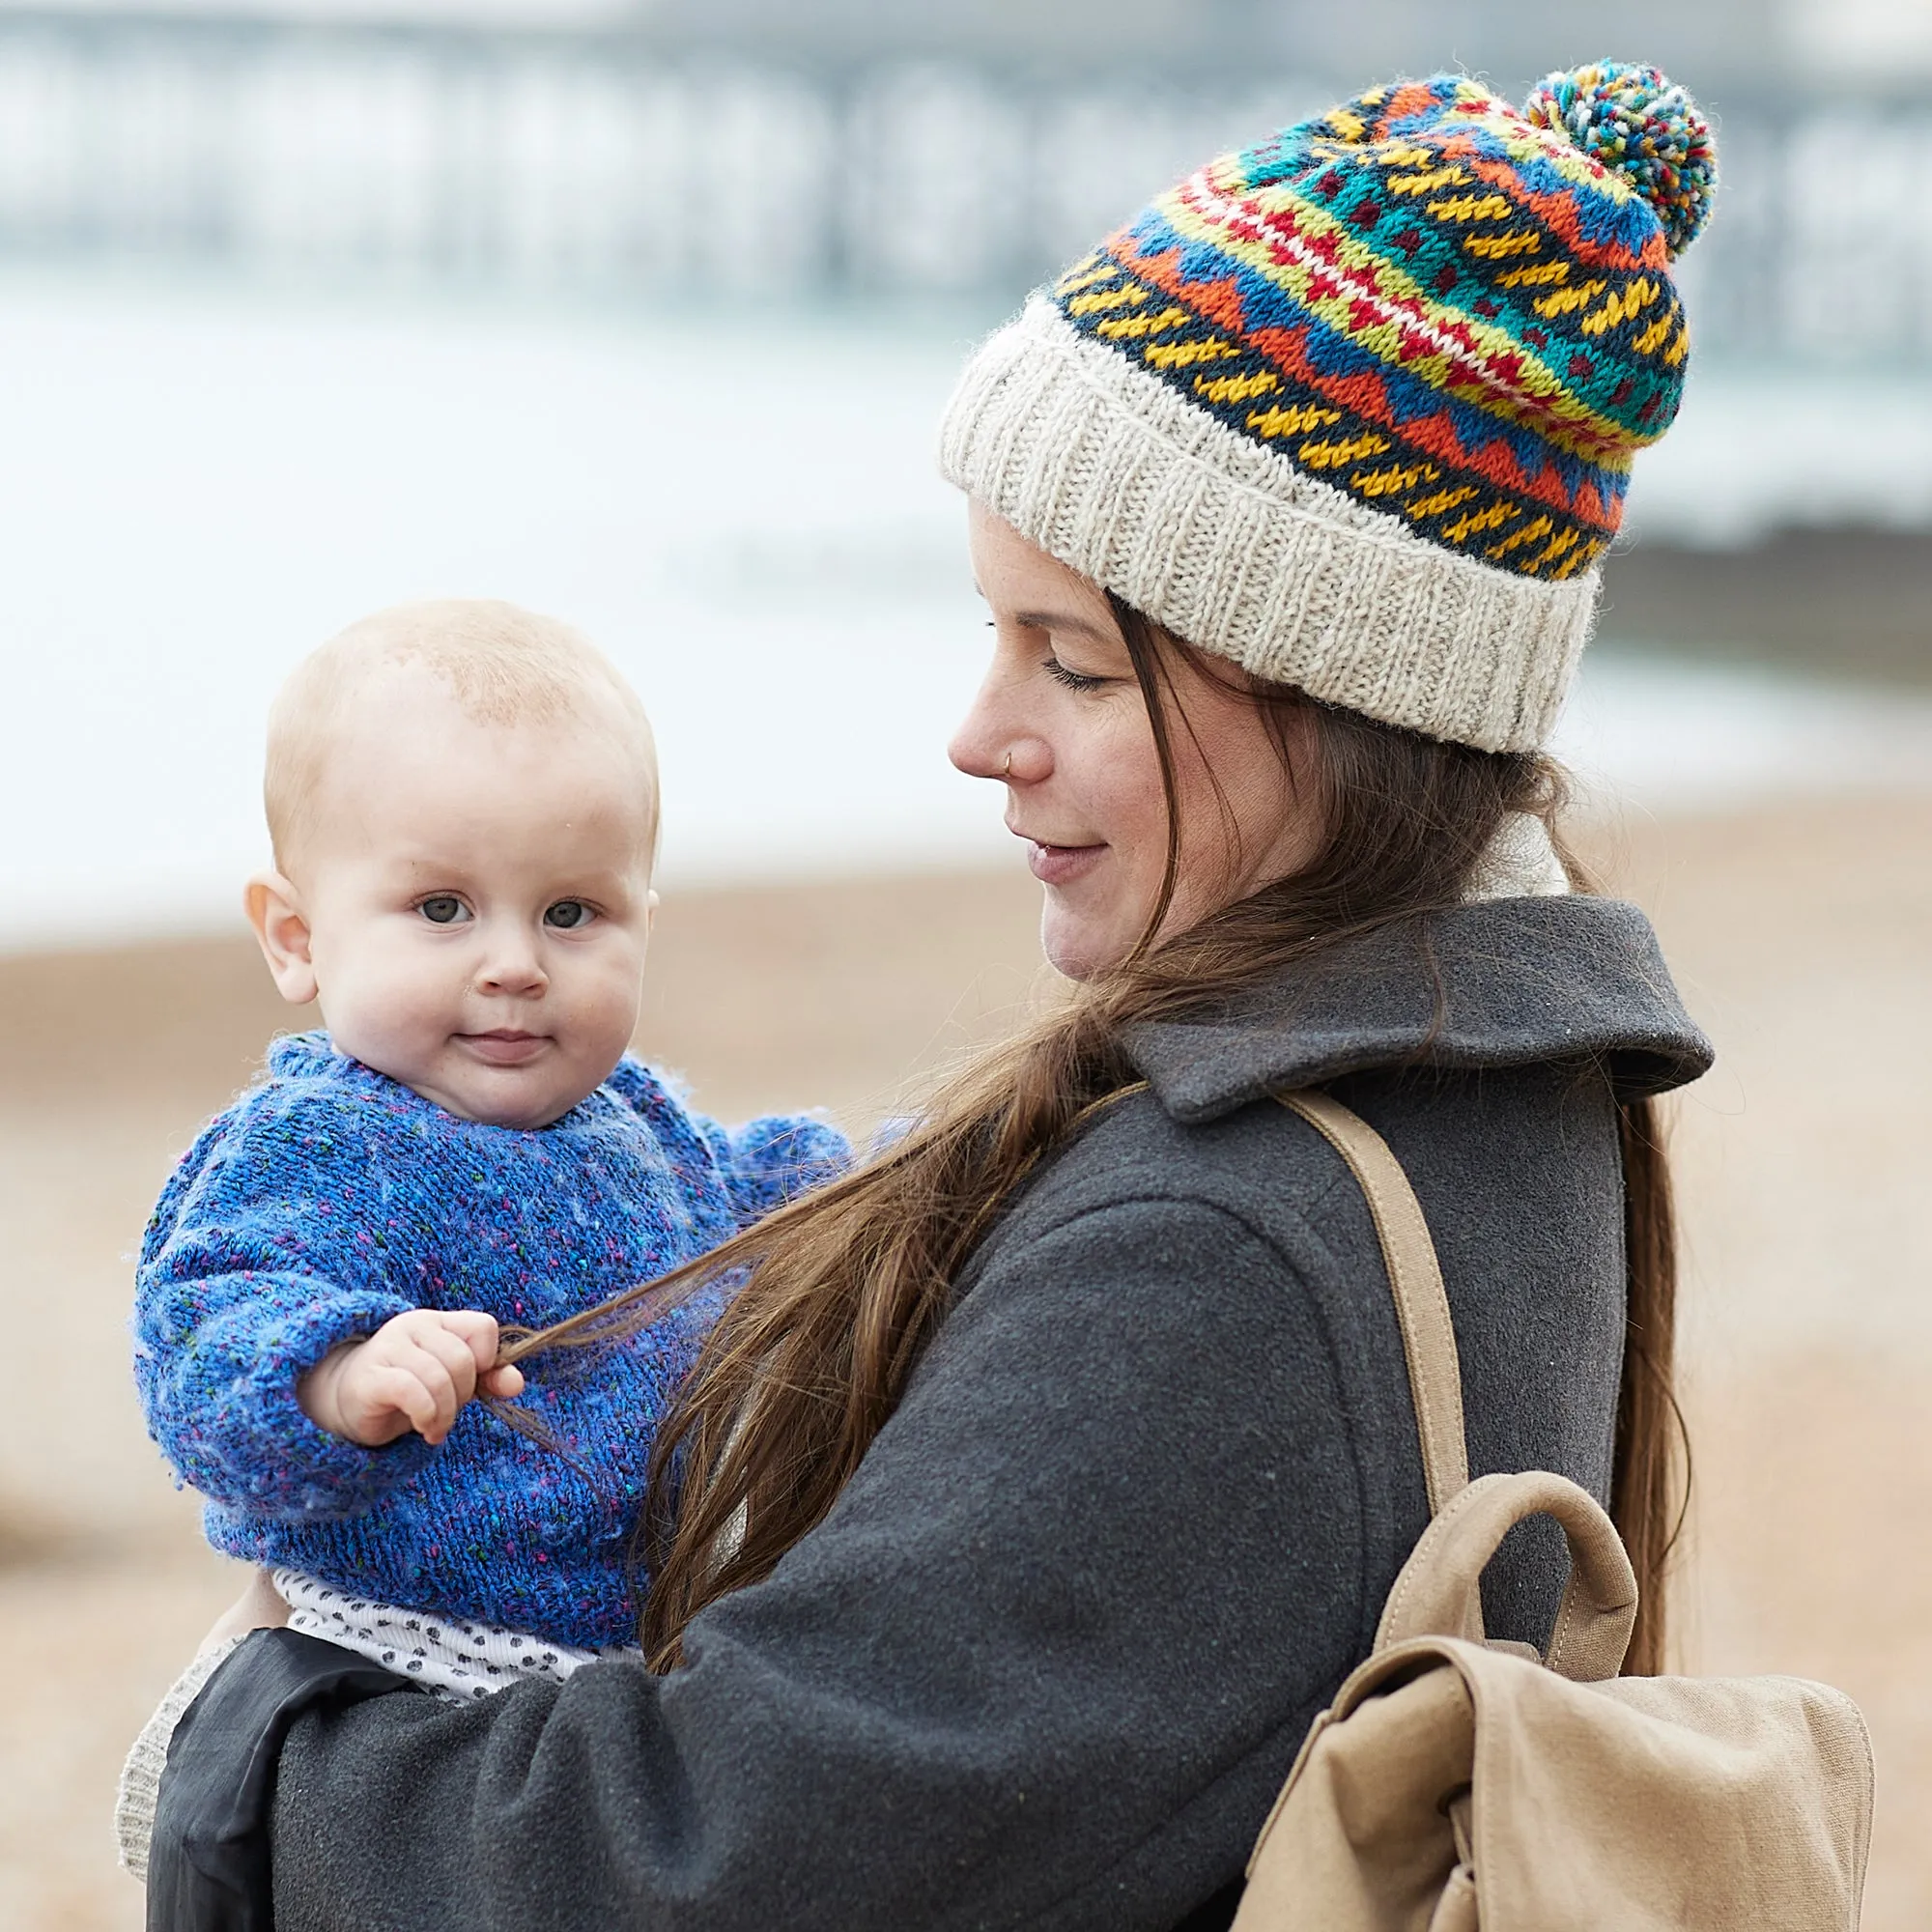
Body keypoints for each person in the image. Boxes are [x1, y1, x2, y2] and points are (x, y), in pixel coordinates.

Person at [146, 63, 1719, 1931]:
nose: (978, 738)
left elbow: (716, 1862)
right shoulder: (1514, 1090)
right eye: (992, 637)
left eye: (1073, 663)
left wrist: (238, 1756)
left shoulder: (1230, 1246)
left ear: (1340, 689)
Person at [118, 600, 846, 1865]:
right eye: (443, 908)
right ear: (298, 937)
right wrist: (338, 1374)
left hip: (617, 1657)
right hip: (388, 1665)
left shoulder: (635, 1116)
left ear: (642, 920)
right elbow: (200, 1331)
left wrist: (888, 1178)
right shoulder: (320, 1142)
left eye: (571, 914)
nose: (515, 962)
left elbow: (744, 1206)